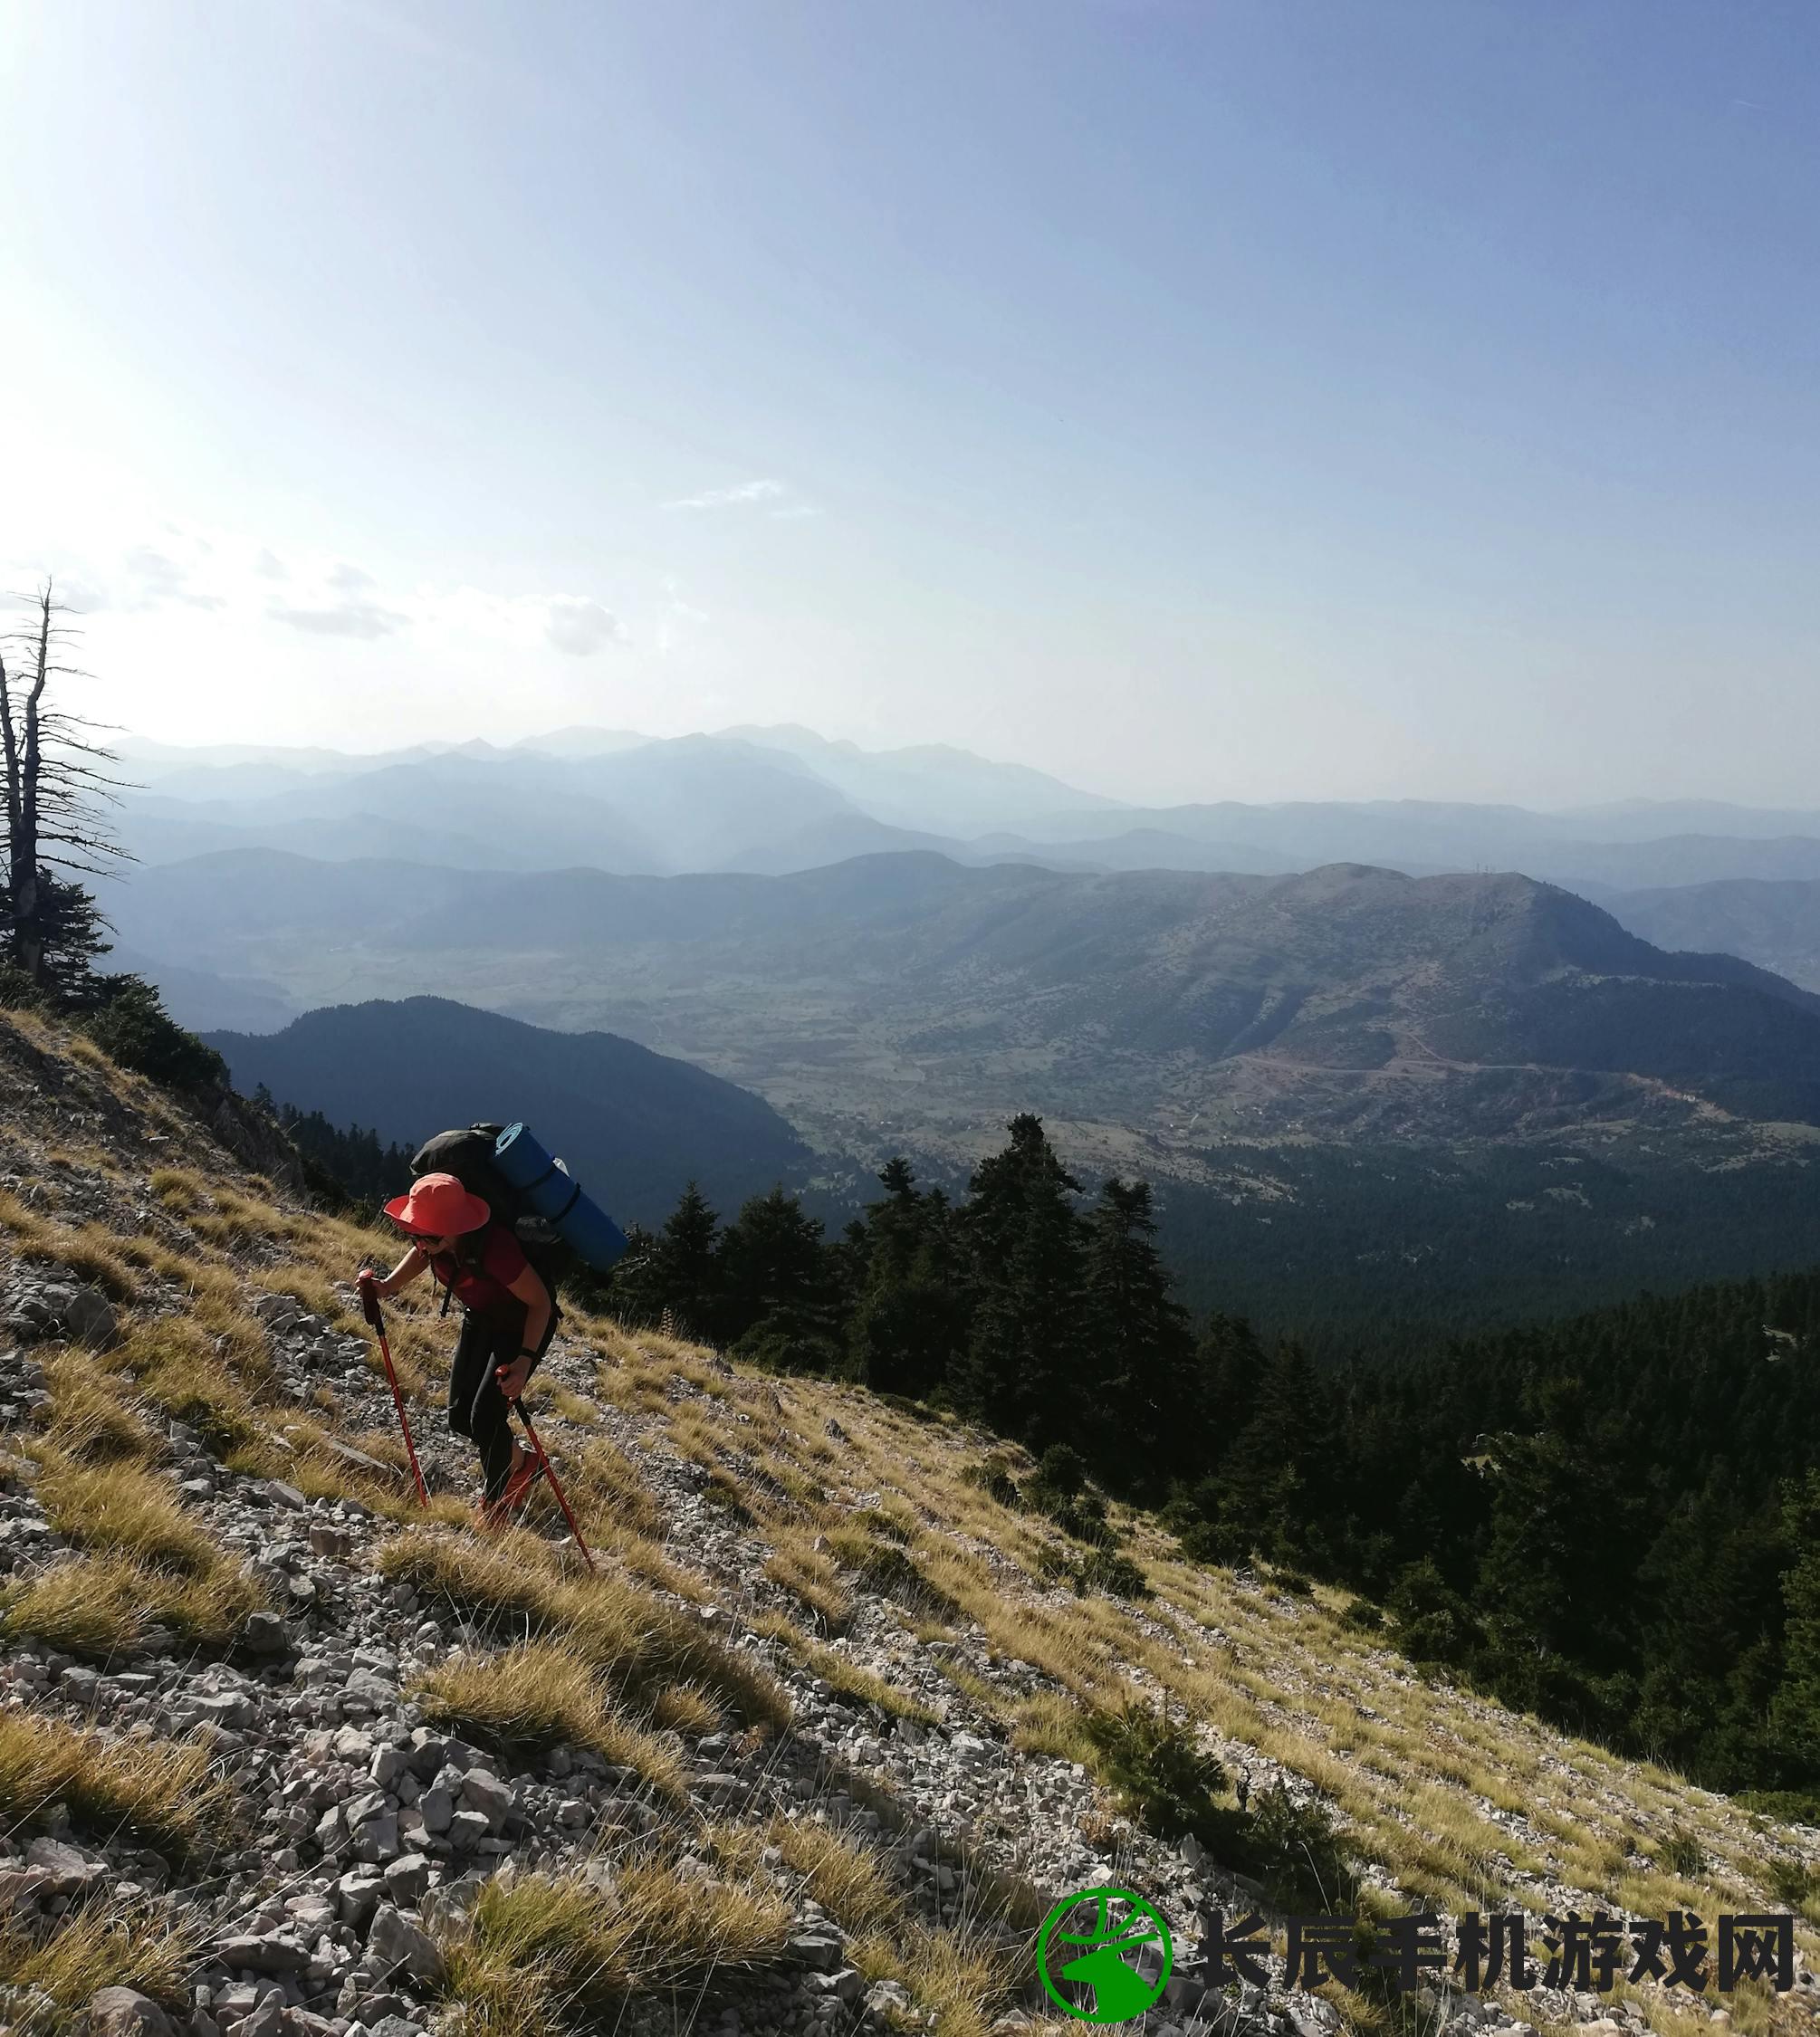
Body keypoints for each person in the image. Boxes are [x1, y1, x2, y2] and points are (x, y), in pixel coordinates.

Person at [357, 1171, 559, 1526]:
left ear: (457, 1227)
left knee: (484, 1417)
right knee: (459, 1417)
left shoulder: (496, 1251)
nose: (420, 1243)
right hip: (480, 1319)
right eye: (413, 1235)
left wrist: (525, 1362)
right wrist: (387, 1288)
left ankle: (495, 1507)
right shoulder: (436, 1243)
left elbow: (540, 1304)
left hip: (520, 1327)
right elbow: (423, 1255)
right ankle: (523, 1464)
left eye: (427, 1236)